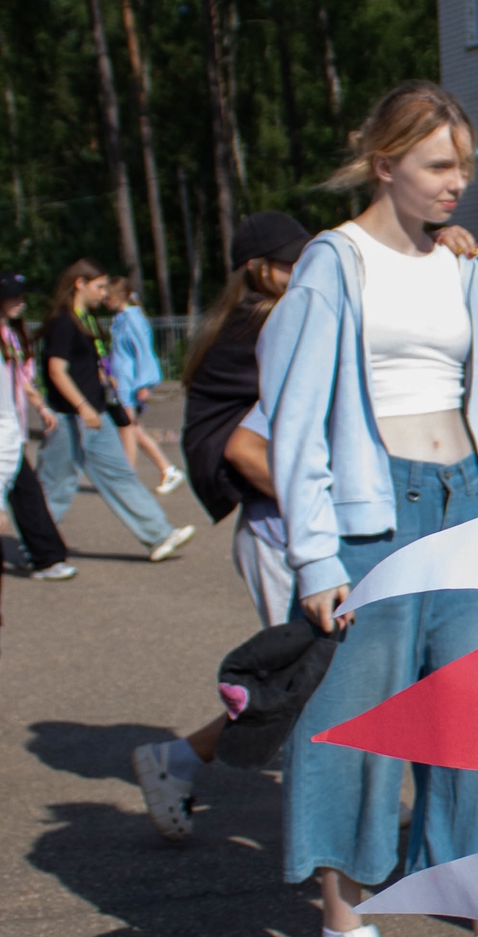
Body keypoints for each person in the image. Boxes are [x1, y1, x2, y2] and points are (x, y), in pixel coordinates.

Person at [258, 83, 478, 937]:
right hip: (372, 520)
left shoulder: (460, 264)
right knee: (355, 730)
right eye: (438, 166)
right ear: (385, 166)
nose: (458, 184)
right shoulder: (333, 264)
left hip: (466, 510)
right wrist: (315, 559)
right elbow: (295, 420)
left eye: (464, 166)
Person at [130, 213, 314, 846]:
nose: (305, 270)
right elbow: (243, 449)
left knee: (313, 673)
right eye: (292, 261)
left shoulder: (250, 321)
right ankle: (180, 761)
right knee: (302, 678)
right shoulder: (262, 325)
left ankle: (337, 798)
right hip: (280, 525)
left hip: (280, 522)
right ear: (260, 269)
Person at [37, 260, 193, 562]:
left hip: (96, 416)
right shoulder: (63, 321)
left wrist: (101, 378)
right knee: (56, 487)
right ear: (80, 284)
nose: (103, 293)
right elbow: (56, 370)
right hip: (70, 417)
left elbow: (83, 363)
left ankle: (159, 535)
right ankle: (36, 546)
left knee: (121, 475)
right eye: (99, 287)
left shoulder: (86, 319)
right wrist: (82, 406)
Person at [0, 274, 73, 580]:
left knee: (26, 493)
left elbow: (22, 379)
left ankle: (46, 557)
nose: (21, 302)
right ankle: (46, 557)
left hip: (11, 431)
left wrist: (41, 406)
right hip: (5, 433)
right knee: (26, 493)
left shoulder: (12, 334)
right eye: (14, 297)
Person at [105, 279, 183, 491]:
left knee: (128, 429)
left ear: (119, 297)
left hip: (129, 382)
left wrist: (144, 384)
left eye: (108, 297)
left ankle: (128, 477)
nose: (105, 301)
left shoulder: (132, 319)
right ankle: (167, 469)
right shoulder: (122, 318)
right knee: (134, 429)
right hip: (123, 380)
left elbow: (144, 351)